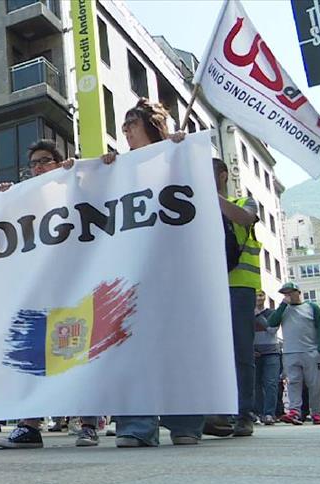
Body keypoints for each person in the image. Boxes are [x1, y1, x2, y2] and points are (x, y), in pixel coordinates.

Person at [98, 98, 204, 448]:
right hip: (133, 268)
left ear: (151, 125)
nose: (125, 130)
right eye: (124, 125)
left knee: (177, 342)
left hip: (174, 267)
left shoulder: (178, 155)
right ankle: (136, 425)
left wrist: (183, 151)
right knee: (133, 342)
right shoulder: (119, 166)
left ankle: (185, 420)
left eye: (131, 123)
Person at [0, 140, 99, 449]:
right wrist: (6, 198)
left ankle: (88, 424)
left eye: (44, 161)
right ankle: (29, 425)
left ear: (59, 162)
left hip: (75, 284)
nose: (38, 168)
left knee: (80, 351)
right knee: (33, 352)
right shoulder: (27, 198)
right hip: (40, 288)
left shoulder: (77, 187)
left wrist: (78, 176)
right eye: (34, 164)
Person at [200, 158, 262, 438]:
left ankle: (244, 414)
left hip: (239, 287)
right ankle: (220, 414)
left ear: (222, 175)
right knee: (212, 351)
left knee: (240, 352)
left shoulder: (244, 201)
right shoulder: (195, 204)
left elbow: (245, 218)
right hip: (206, 286)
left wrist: (208, 194)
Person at [266, 282, 320, 425]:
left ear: (298, 292)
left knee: (315, 383)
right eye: (285, 293)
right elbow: (272, 323)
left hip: (311, 351)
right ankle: (294, 411)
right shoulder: (284, 309)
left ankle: (317, 412)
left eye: (290, 292)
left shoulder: (312, 307)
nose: (288, 295)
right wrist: (282, 306)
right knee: (293, 382)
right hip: (290, 352)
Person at [253, 291, 281, 425]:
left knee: (271, 384)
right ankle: (259, 413)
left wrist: (257, 315)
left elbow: (271, 329)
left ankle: (269, 413)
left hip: (272, 353)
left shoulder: (271, 313)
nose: (259, 298)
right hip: (255, 354)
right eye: (257, 295)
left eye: (261, 295)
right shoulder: (246, 314)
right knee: (255, 385)